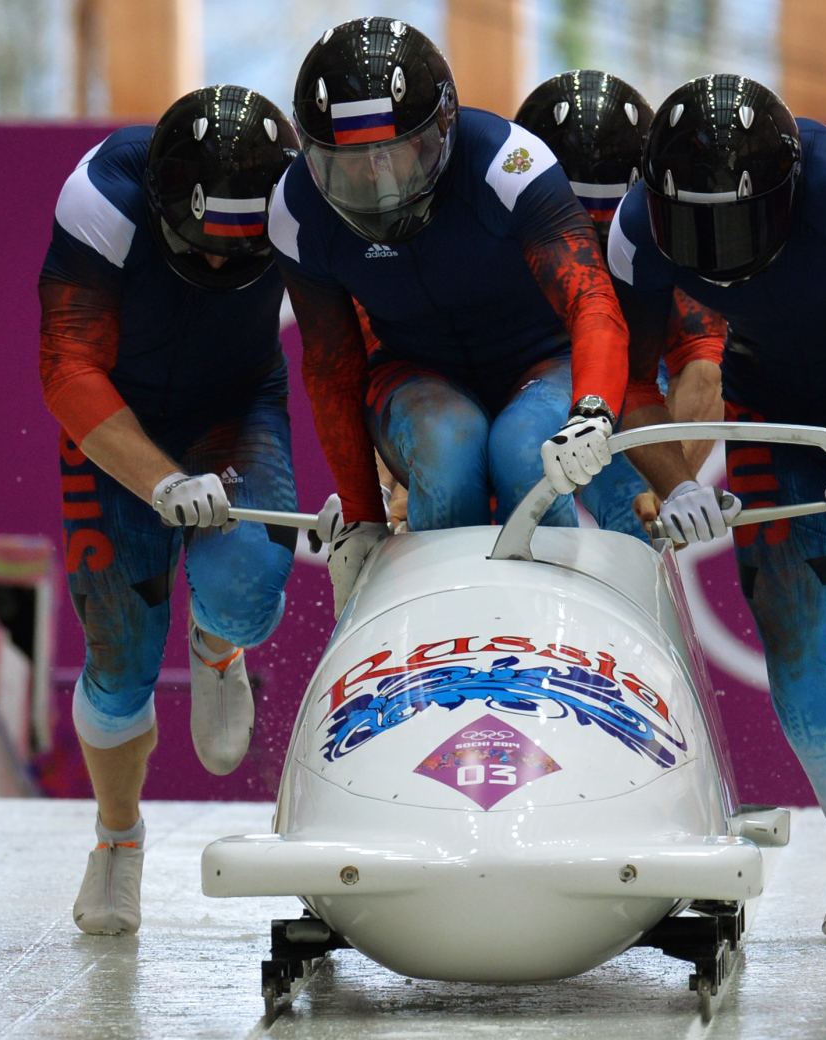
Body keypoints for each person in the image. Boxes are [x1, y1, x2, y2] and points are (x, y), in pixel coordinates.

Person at [608, 76, 826, 938]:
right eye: (693, 229)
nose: (716, 251)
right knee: (797, 657)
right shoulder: (635, 231)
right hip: (767, 414)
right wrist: (679, 480)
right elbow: (623, 379)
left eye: (731, 224)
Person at [38, 86, 301, 935]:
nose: (223, 267)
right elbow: (67, 371)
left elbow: (353, 344)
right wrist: (155, 479)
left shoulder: (309, 200)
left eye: (242, 251)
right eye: (204, 248)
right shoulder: (100, 200)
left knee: (249, 594)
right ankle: (118, 841)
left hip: (236, 408)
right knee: (119, 661)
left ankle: (219, 645)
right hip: (117, 420)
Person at [271, 17, 629, 615]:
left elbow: (591, 301)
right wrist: (362, 516)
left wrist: (590, 408)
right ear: (315, 161)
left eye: (396, 154)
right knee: (447, 449)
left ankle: (563, 622)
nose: (380, 184)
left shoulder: (508, 166)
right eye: (354, 163)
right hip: (414, 372)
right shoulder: (297, 211)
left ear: (442, 128)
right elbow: (333, 369)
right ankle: (439, 631)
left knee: (525, 452)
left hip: (543, 360)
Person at [514, 70, 726, 494]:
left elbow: (704, 369)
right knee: (513, 451)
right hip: (523, 370)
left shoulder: (660, 232)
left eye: (608, 230)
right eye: (576, 229)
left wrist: (670, 489)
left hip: (632, 374)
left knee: (628, 484)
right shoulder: (494, 220)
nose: (592, 252)